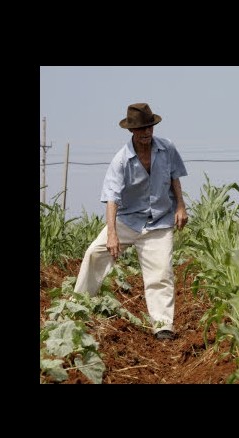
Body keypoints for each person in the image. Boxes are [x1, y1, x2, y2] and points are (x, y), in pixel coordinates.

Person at [74, 102, 189, 340]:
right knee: (95, 253)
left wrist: (180, 206)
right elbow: (112, 198)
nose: (146, 133)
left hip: (159, 220)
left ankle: (162, 325)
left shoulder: (167, 149)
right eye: (141, 129)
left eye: (149, 127)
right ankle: (78, 307)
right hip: (128, 220)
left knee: (161, 273)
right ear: (131, 131)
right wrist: (113, 234)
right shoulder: (121, 160)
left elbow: (175, 177)